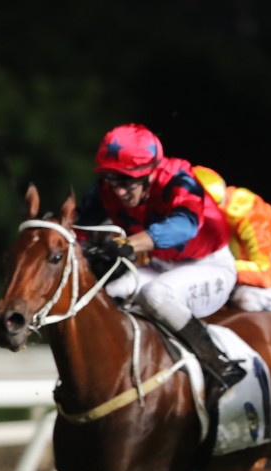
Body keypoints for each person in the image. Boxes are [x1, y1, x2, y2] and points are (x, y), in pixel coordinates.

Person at [74, 123, 246, 402]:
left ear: (151, 173)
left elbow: (185, 226)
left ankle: (220, 366)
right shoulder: (106, 190)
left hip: (209, 265)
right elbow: (77, 230)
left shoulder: (178, 177)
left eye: (127, 181)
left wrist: (130, 244)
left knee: (155, 295)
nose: (117, 191)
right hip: (160, 265)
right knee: (104, 299)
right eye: (111, 178)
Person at [192, 166, 271, 312]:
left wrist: (216, 267)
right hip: (236, 251)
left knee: (247, 301)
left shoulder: (250, 217)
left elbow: (264, 274)